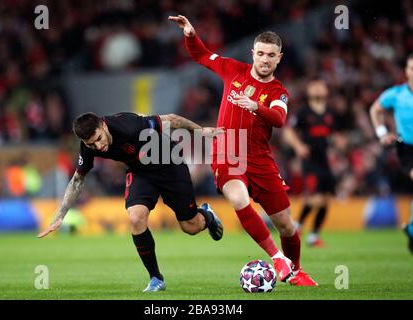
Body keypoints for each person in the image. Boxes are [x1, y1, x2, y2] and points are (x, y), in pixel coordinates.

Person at [169, 15, 317, 286]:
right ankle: (278, 258)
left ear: (279, 58)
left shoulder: (277, 91)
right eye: (260, 53)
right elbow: (201, 55)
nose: (264, 59)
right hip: (227, 150)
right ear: (253, 54)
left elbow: (279, 119)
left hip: (260, 159)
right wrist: (190, 34)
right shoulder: (232, 69)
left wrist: (254, 106)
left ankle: (295, 271)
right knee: (238, 199)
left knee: (286, 225)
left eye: (271, 55)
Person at [38, 111, 224, 291]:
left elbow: (172, 120)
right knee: (135, 217)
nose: (98, 147)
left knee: (190, 226)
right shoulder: (88, 148)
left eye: (99, 139)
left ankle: (207, 215)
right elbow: (77, 180)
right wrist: (61, 214)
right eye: (91, 144)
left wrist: (201, 131)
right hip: (141, 172)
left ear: (103, 125)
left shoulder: (129, 126)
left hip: (169, 164)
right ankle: (156, 278)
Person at [283, 78, 336, 247]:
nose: (318, 89)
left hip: (325, 161)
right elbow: (288, 131)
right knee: (315, 198)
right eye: (315, 87)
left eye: (321, 86)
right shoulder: (303, 112)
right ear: (309, 91)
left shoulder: (329, 112)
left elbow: (332, 134)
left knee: (326, 199)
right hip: (310, 161)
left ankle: (314, 235)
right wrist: (299, 146)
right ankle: (297, 226)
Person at [369, 53, 413, 254]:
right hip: (407, 148)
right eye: (412, 67)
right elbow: (375, 110)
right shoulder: (396, 94)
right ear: (406, 71)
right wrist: (381, 133)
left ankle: (412, 229)